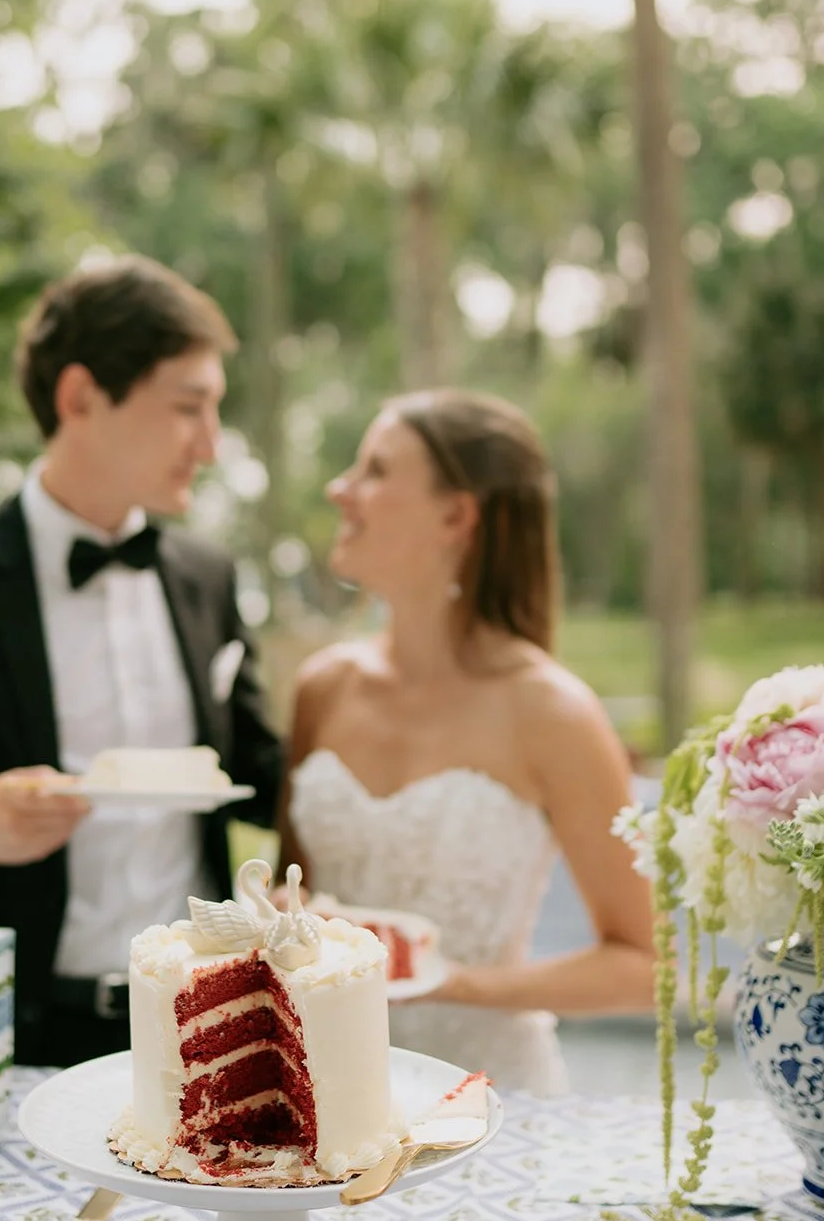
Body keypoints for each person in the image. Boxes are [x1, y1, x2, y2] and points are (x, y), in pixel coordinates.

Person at [0, 255, 282, 1067]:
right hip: (3, 1040)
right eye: (187, 408)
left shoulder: (208, 577)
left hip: (199, 1031)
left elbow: (260, 769)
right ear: (80, 398)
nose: (209, 443)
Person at [279, 388, 653, 1095]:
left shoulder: (552, 712)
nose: (340, 489)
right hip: (323, 1097)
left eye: (375, 471)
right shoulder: (321, 687)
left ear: (456, 515)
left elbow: (646, 967)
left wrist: (454, 985)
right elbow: (293, 894)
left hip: (486, 1101)